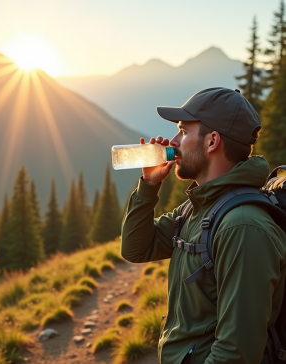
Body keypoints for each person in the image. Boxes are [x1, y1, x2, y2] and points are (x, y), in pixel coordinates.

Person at [121, 87, 286, 364]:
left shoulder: (243, 227)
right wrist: (149, 185)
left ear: (212, 142)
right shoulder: (199, 206)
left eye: (184, 131)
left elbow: (236, 354)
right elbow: (136, 248)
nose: (172, 141)